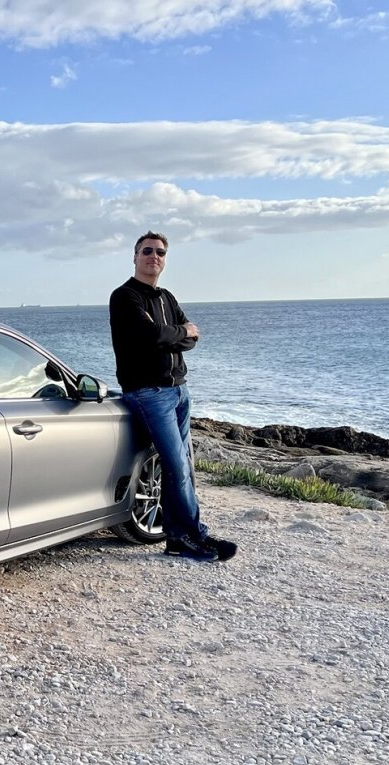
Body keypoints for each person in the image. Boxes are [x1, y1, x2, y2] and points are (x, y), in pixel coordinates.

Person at [109, 231, 237, 562]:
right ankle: (193, 536)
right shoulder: (125, 297)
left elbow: (188, 338)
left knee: (184, 466)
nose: (155, 256)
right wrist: (179, 333)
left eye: (161, 252)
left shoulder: (166, 297)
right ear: (135, 257)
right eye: (147, 251)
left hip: (179, 391)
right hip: (148, 393)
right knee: (176, 464)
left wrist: (174, 335)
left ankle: (178, 537)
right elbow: (152, 336)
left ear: (165, 260)